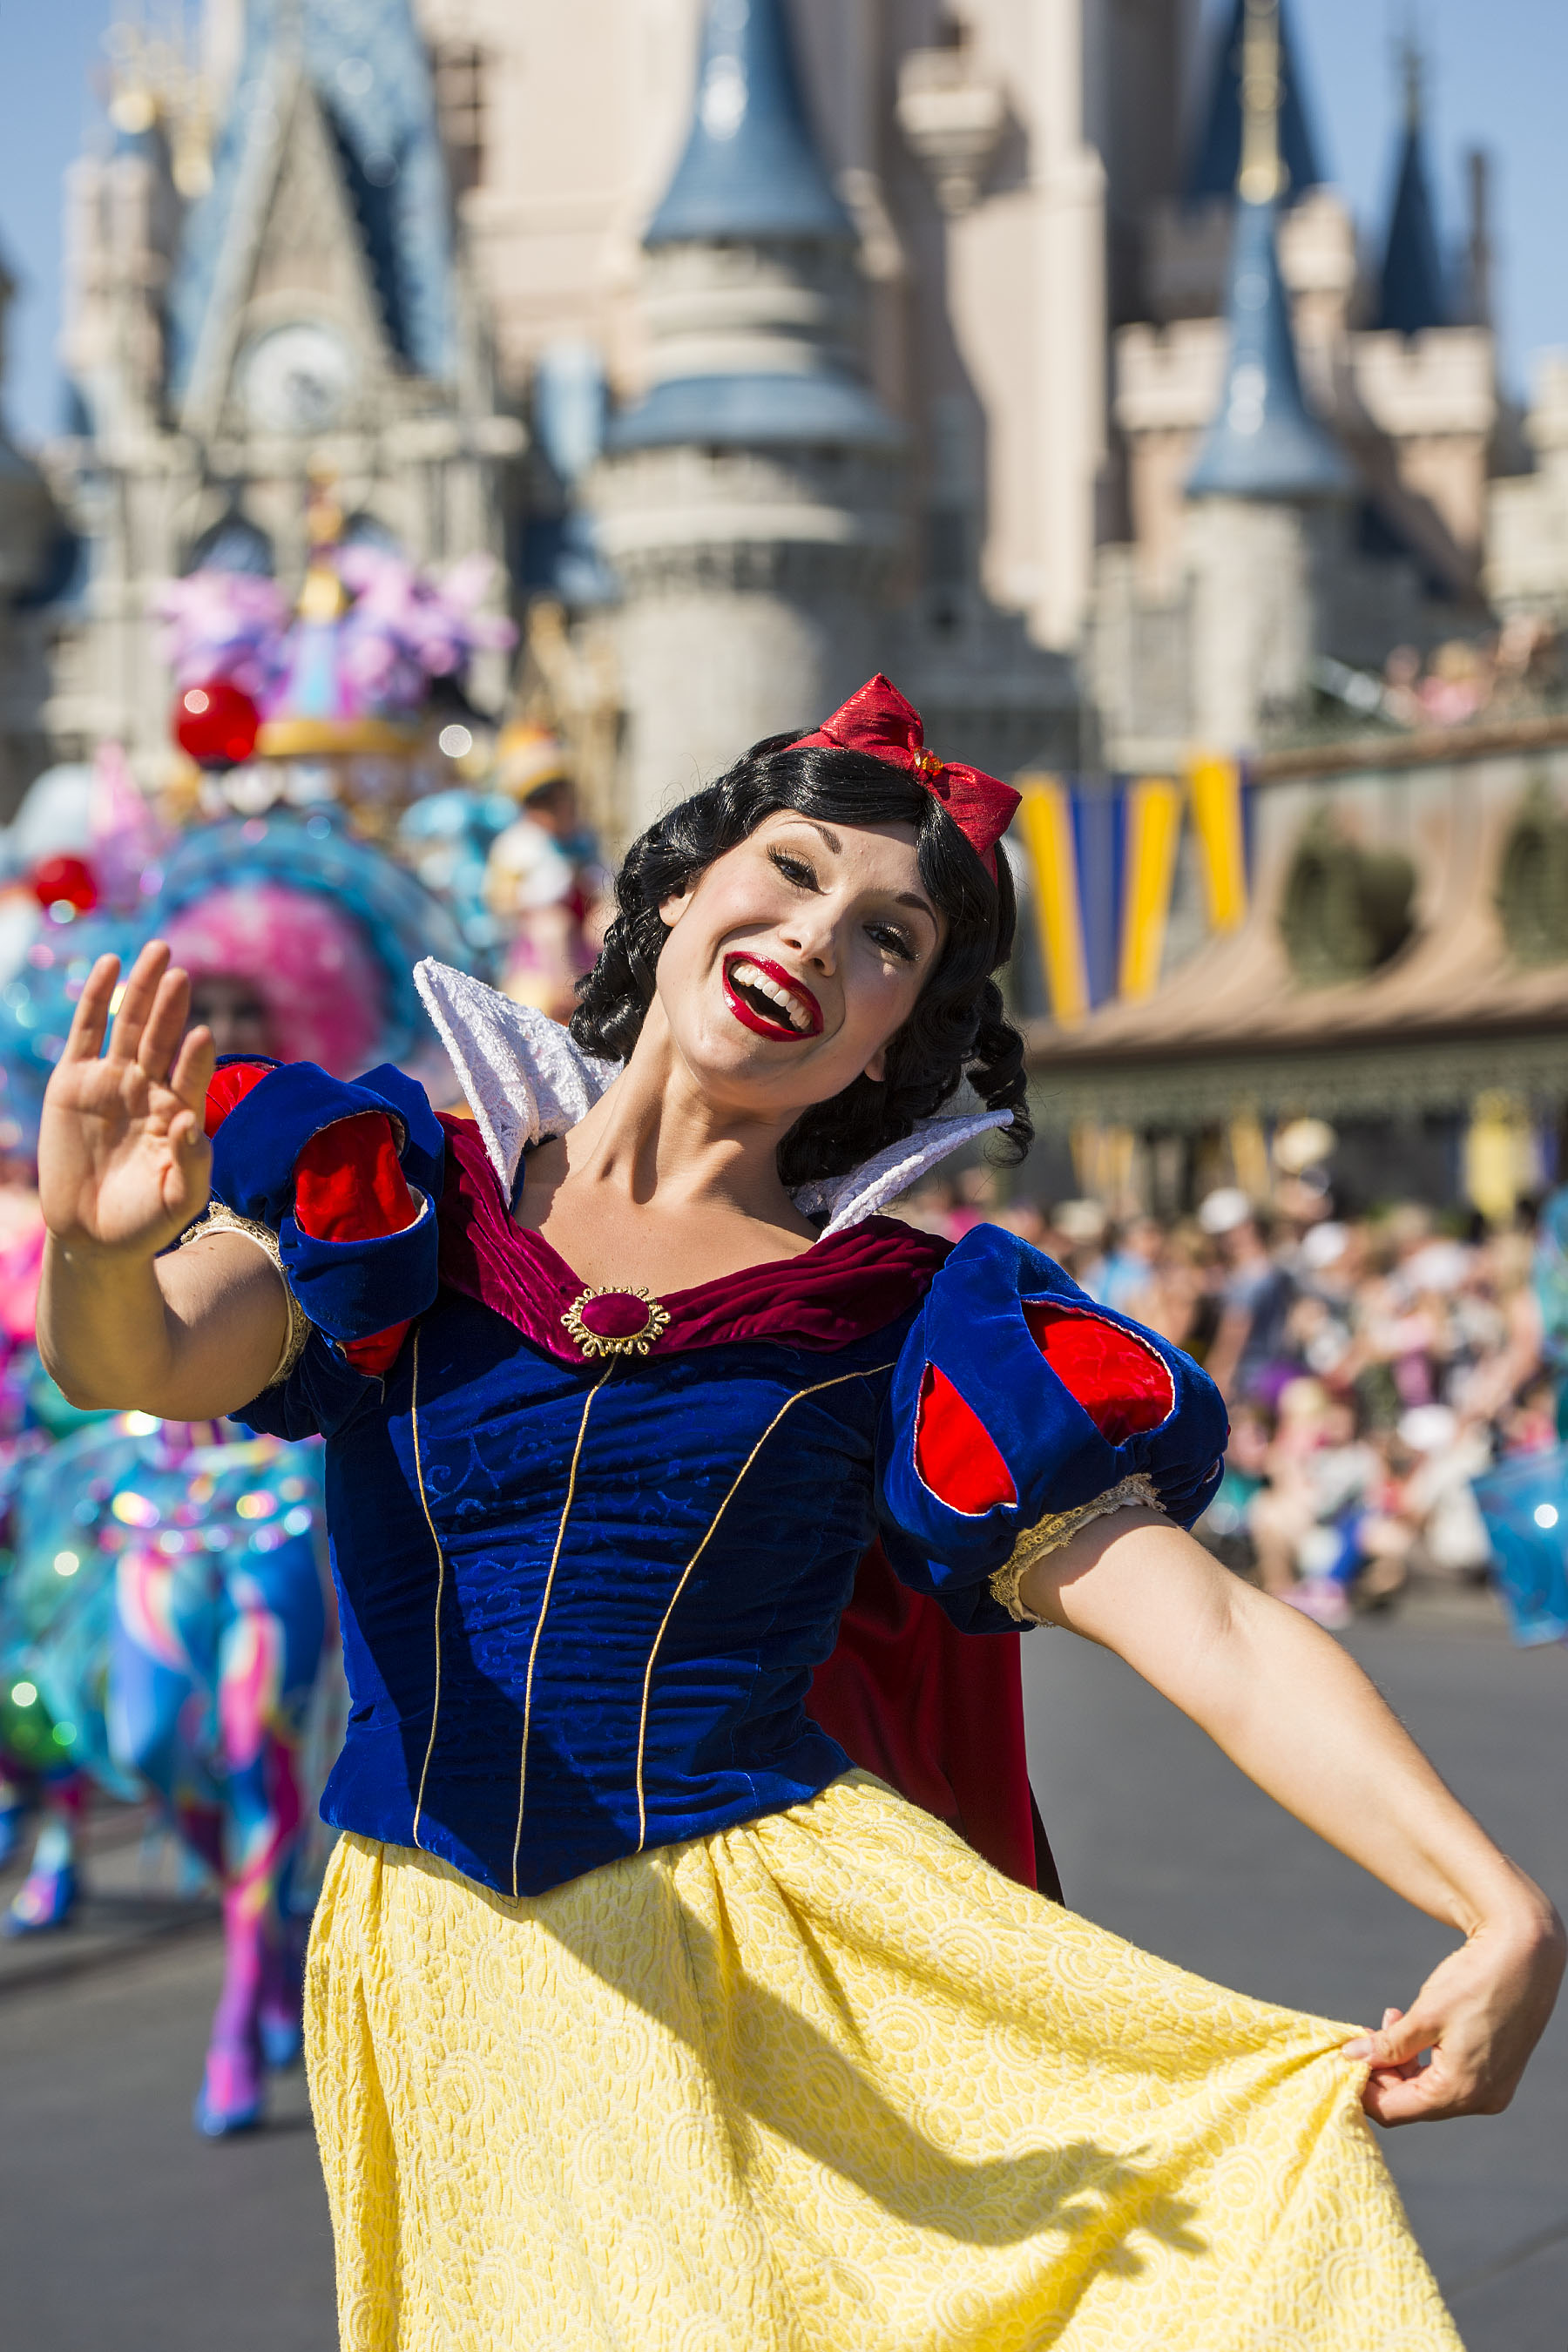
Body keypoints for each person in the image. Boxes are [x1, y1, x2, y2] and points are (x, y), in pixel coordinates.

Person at [33, 677, 1563, 2349]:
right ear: (683, 888)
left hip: (768, 1964)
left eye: (889, 938)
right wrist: (102, 1251)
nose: (823, 935)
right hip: (432, 1971)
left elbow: (1212, 1632)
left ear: (892, 1039)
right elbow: (154, 1363)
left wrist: (1499, 1908)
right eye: (791, 866)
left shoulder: (902, 1319)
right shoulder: (400, 1197)